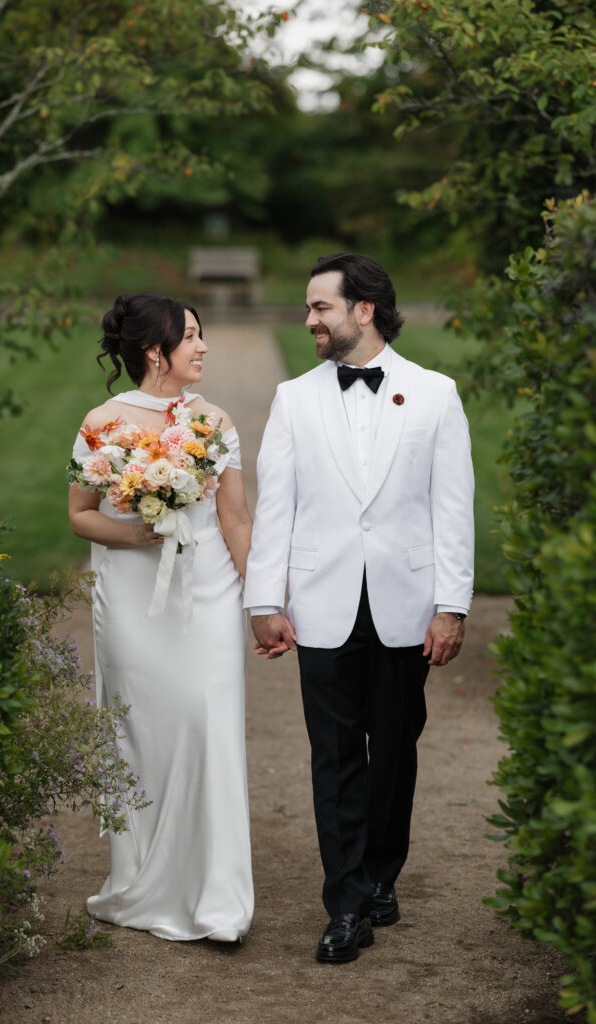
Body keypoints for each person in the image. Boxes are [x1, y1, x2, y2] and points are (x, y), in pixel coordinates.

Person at [243, 253, 475, 964]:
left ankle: (380, 873)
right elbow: (275, 506)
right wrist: (263, 598)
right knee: (334, 757)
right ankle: (345, 903)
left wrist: (450, 605)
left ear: (363, 310)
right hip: (322, 605)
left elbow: (452, 508)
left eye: (320, 307)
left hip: (407, 606)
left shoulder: (435, 394)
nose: (308, 318)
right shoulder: (292, 398)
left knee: (393, 751)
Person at [69, 292, 254, 943]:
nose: (203, 346)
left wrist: (259, 602)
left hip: (205, 594)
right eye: (192, 336)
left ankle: (217, 900)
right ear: (156, 350)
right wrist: (136, 534)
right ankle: (139, 881)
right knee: (142, 732)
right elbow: (81, 513)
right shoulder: (103, 421)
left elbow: (233, 517)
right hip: (131, 596)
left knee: (209, 727)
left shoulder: (215, 421)